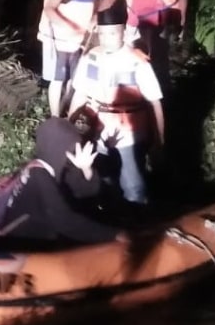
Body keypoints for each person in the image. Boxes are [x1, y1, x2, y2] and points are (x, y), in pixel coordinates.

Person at [0, 117, 127, 244]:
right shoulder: (40, 176)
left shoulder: (44, 165)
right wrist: (114, 235)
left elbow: (84, 193)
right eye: (69, 148)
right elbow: (65, 221)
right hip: (19, 242)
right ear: (57, 147)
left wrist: (86, 168)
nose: (73, 153)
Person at [68, 18, 165, 207]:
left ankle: (138, 221)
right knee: (102, 176)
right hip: (97, 128)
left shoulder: (137, 61)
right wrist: (69, 127)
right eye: (102, 33)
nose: (106, 39)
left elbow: (155, 101)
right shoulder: (91, 57)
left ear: (123, 32)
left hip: (128, 131)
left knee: (132, 183)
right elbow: (80, 94)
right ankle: (109, 215)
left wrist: (160, 141)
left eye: (112, 33)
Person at [37, 0, 99, 117]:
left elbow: (96, 2)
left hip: (80, 38)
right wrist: (67, 26)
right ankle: (55, 117)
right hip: (58, 38)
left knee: (76, 76)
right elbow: (50, 9)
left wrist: (95, 17)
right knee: (58, 78)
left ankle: (68, 110)